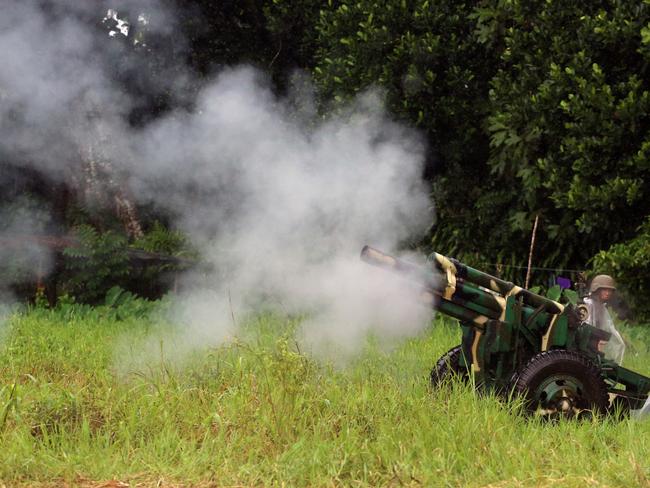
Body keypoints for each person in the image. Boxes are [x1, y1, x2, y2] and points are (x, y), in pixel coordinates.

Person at [583, 274, 625, 364]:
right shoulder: (588, 304)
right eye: (605, 289)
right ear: (596, 290)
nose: (608, 293)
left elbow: (608, 327)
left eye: (610, 290)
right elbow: (586, 326)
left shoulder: (601, 307)